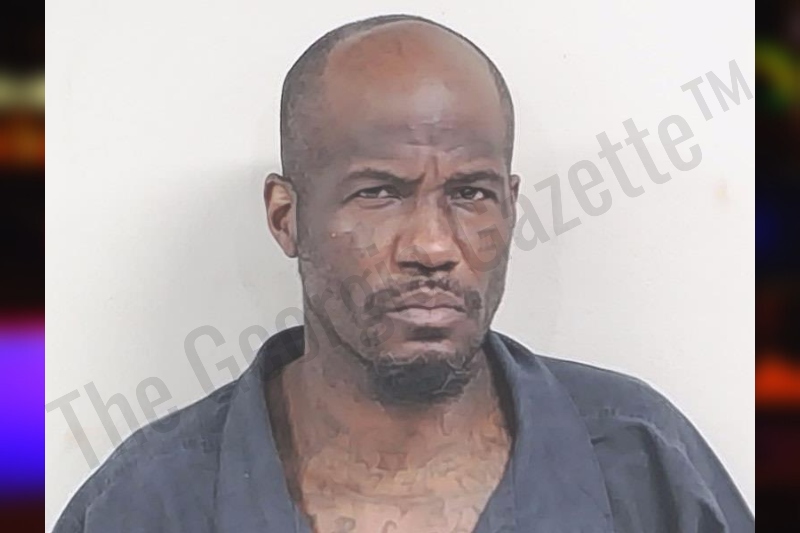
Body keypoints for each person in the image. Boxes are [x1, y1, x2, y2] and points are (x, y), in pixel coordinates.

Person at [53, 14, 754, 533]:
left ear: (511, 208)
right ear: (285, 217)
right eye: (379, 193)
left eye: (470, 193)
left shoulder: (644, 466)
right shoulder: (148, 504)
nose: (432, 245)